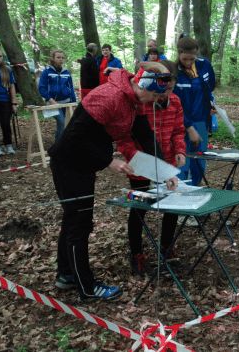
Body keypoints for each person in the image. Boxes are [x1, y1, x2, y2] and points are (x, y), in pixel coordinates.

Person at [48, 61, 175, 302]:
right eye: (155, 96)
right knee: (79, 224)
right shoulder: (109, 97)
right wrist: (109, 161)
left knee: (73, 220)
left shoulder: (135, 101)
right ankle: (86, 287)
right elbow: (75, 137)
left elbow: (145, 135)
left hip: (85, 163)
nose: (155, 101)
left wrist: (164, 170)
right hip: (69, 163)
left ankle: (66, 274)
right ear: (143, 85)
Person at [118, 60, 186, 277]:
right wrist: (135, 158)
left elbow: (178, 130)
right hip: (141, 163)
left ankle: (167, 247)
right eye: (162, 89)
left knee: (171, 206)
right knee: (139, 206)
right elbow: (125, 137)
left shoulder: (175, 102)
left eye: (170, 88)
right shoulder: (141, 102)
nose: (165, 94)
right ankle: (136, 253)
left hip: (167, 161)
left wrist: (180, 150)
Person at [173, 36, 215, 185]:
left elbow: (210, 87)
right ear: (179, 53)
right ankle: (179, 191)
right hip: (180, 124)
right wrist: (189, 127)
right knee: (182, 161)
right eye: (185, 59)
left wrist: (210, 106)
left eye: (192, 58)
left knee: (199, 160)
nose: (189, 62)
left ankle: (195, 187)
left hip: (201, 121)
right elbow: (175, 105)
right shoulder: (174, 72)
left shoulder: (204, 65)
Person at [38, 49, 76, 140]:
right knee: (62, 122)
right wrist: (50, 100)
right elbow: (41, 88)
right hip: (52, 103)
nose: (61, 59)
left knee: (67, 124)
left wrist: (74, 102)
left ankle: (62, 143)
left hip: (66, 102)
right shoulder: (46, 72)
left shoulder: (66, 72)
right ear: (53, 58)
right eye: (58, 57)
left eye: (62, 58)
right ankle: (58, 145)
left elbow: (71, 88)